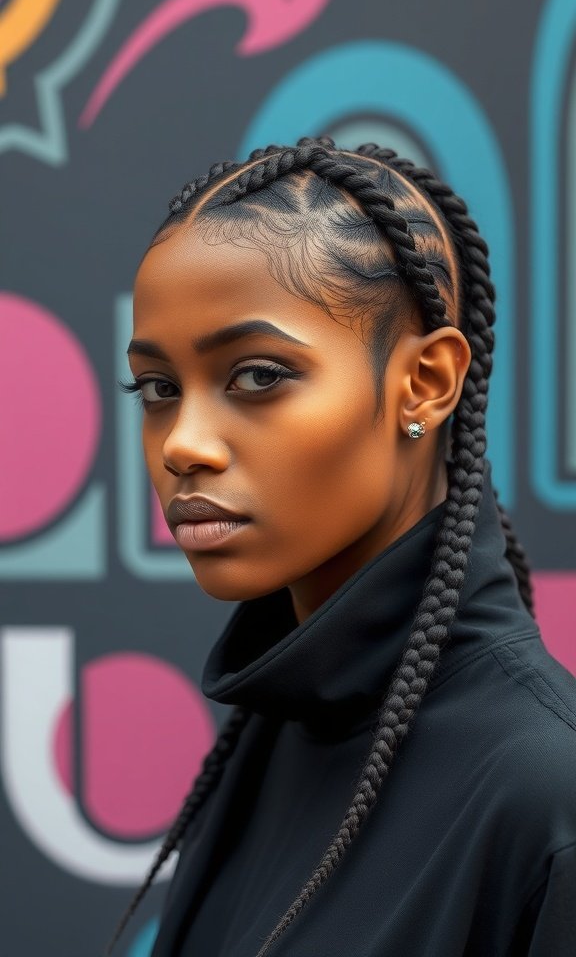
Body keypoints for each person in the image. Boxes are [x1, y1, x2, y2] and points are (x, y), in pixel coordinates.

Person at [106, 138, 576, 956]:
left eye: (258, 376)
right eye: (158, 388)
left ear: (424, 383)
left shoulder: (547, 795)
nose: (183, 443)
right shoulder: (274, 731)